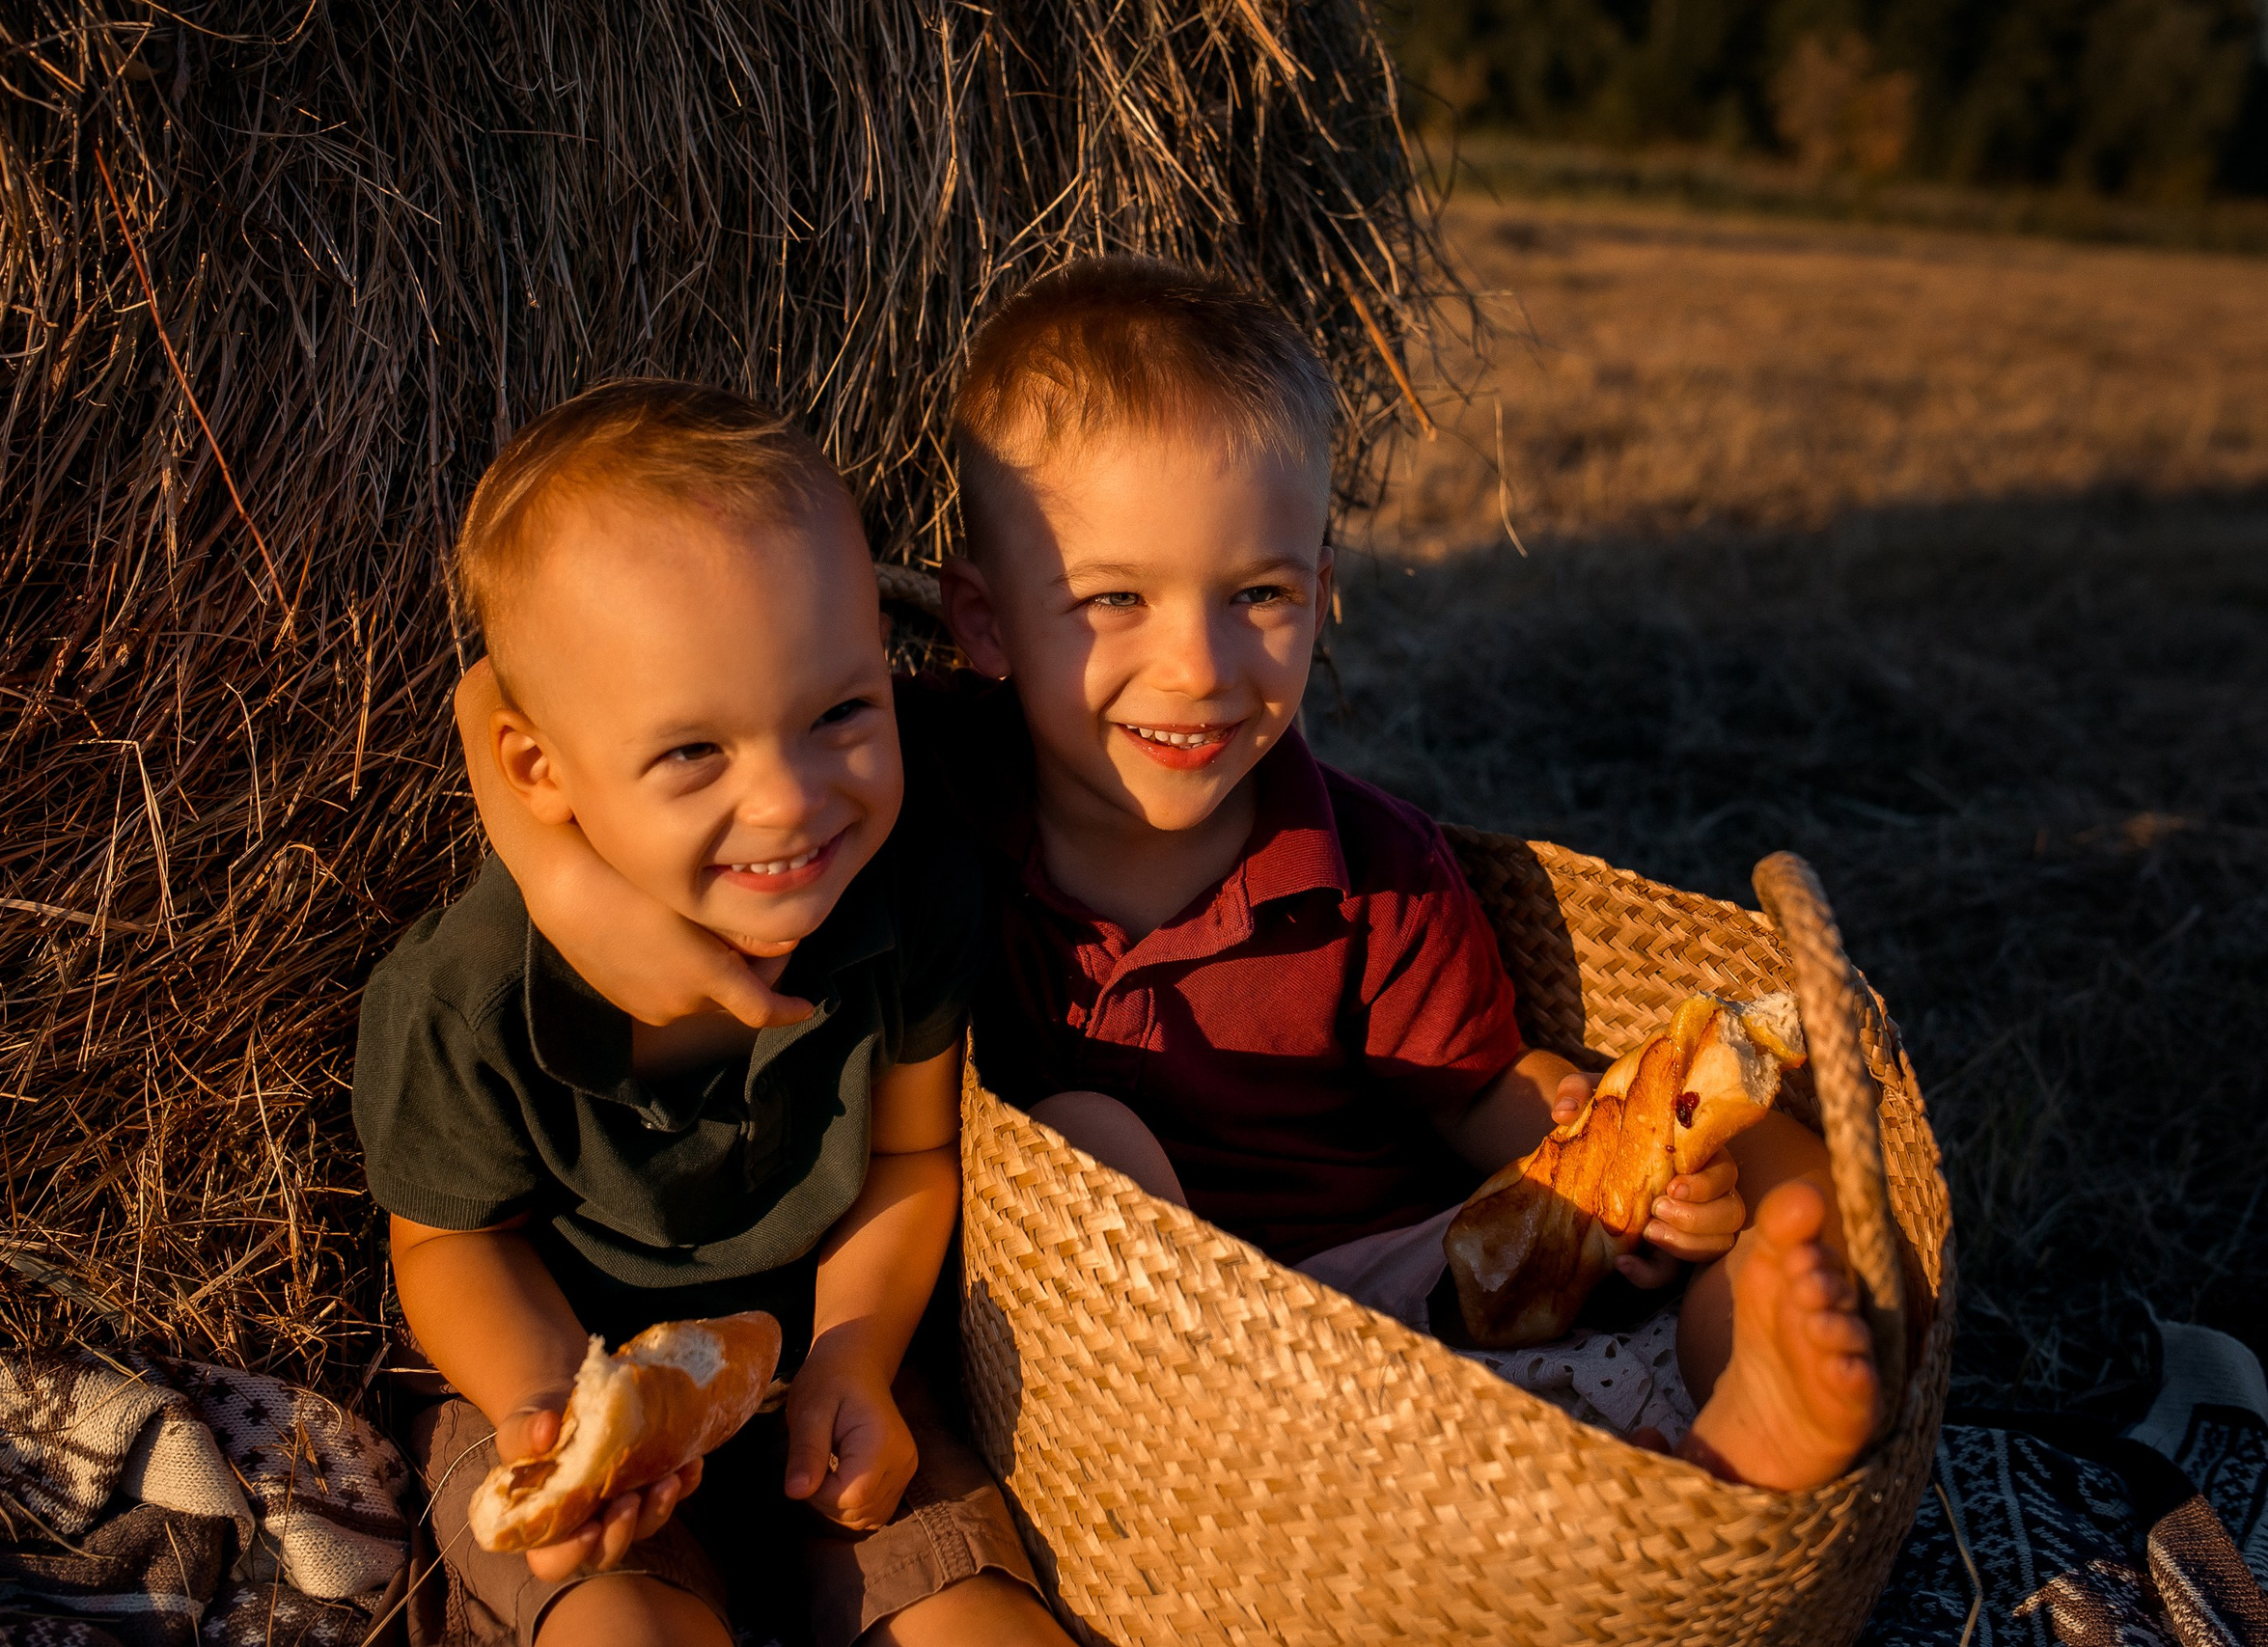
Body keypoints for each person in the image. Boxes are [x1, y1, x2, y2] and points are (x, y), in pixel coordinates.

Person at [455, 267, 1880, 1496]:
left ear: (1324, 595)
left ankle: (1747, 1402)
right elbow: (520, 700)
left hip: (1380, 1287)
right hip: (1144, 1355)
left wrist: (1605, 1149)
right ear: (985, 624)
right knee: (1090, 1127)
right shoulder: (912, 773)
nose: (1198, 666)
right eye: (1113, 601)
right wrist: (567, 890)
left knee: (1733, 1195)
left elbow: (1479, 1100)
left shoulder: (1373, 875)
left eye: (1257, 595)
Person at [350, 381, 1067, 1647]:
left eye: (842, 712)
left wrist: (854, 1358)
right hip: (551, 1373)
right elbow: (452, 1245)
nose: (791, 801)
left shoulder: (915, 896)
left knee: (983, 1626)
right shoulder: (466, 990)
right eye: (694, 754)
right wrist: (548, 1411)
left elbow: (908, 1155)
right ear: (539, 771)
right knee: (624, 1630)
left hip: (832, 1360)